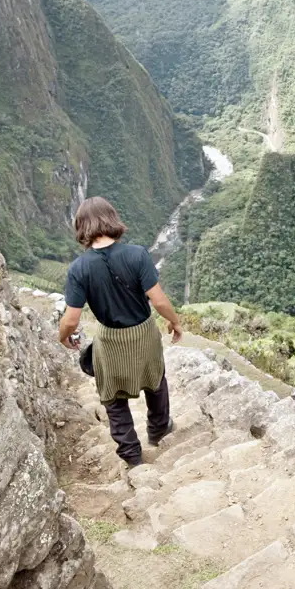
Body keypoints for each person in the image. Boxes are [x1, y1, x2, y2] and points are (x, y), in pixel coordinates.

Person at [58, 196, 183, 468]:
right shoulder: (137, 254)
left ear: (82, 227)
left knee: (113, 396)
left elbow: (71, 319)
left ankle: (132, 456)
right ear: (112, 219)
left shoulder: (79, 269)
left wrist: (63, 335)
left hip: (111, 338)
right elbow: (159, 301)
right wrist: (175, 322)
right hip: (144, 332)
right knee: (155, 380)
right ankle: (159, 429)